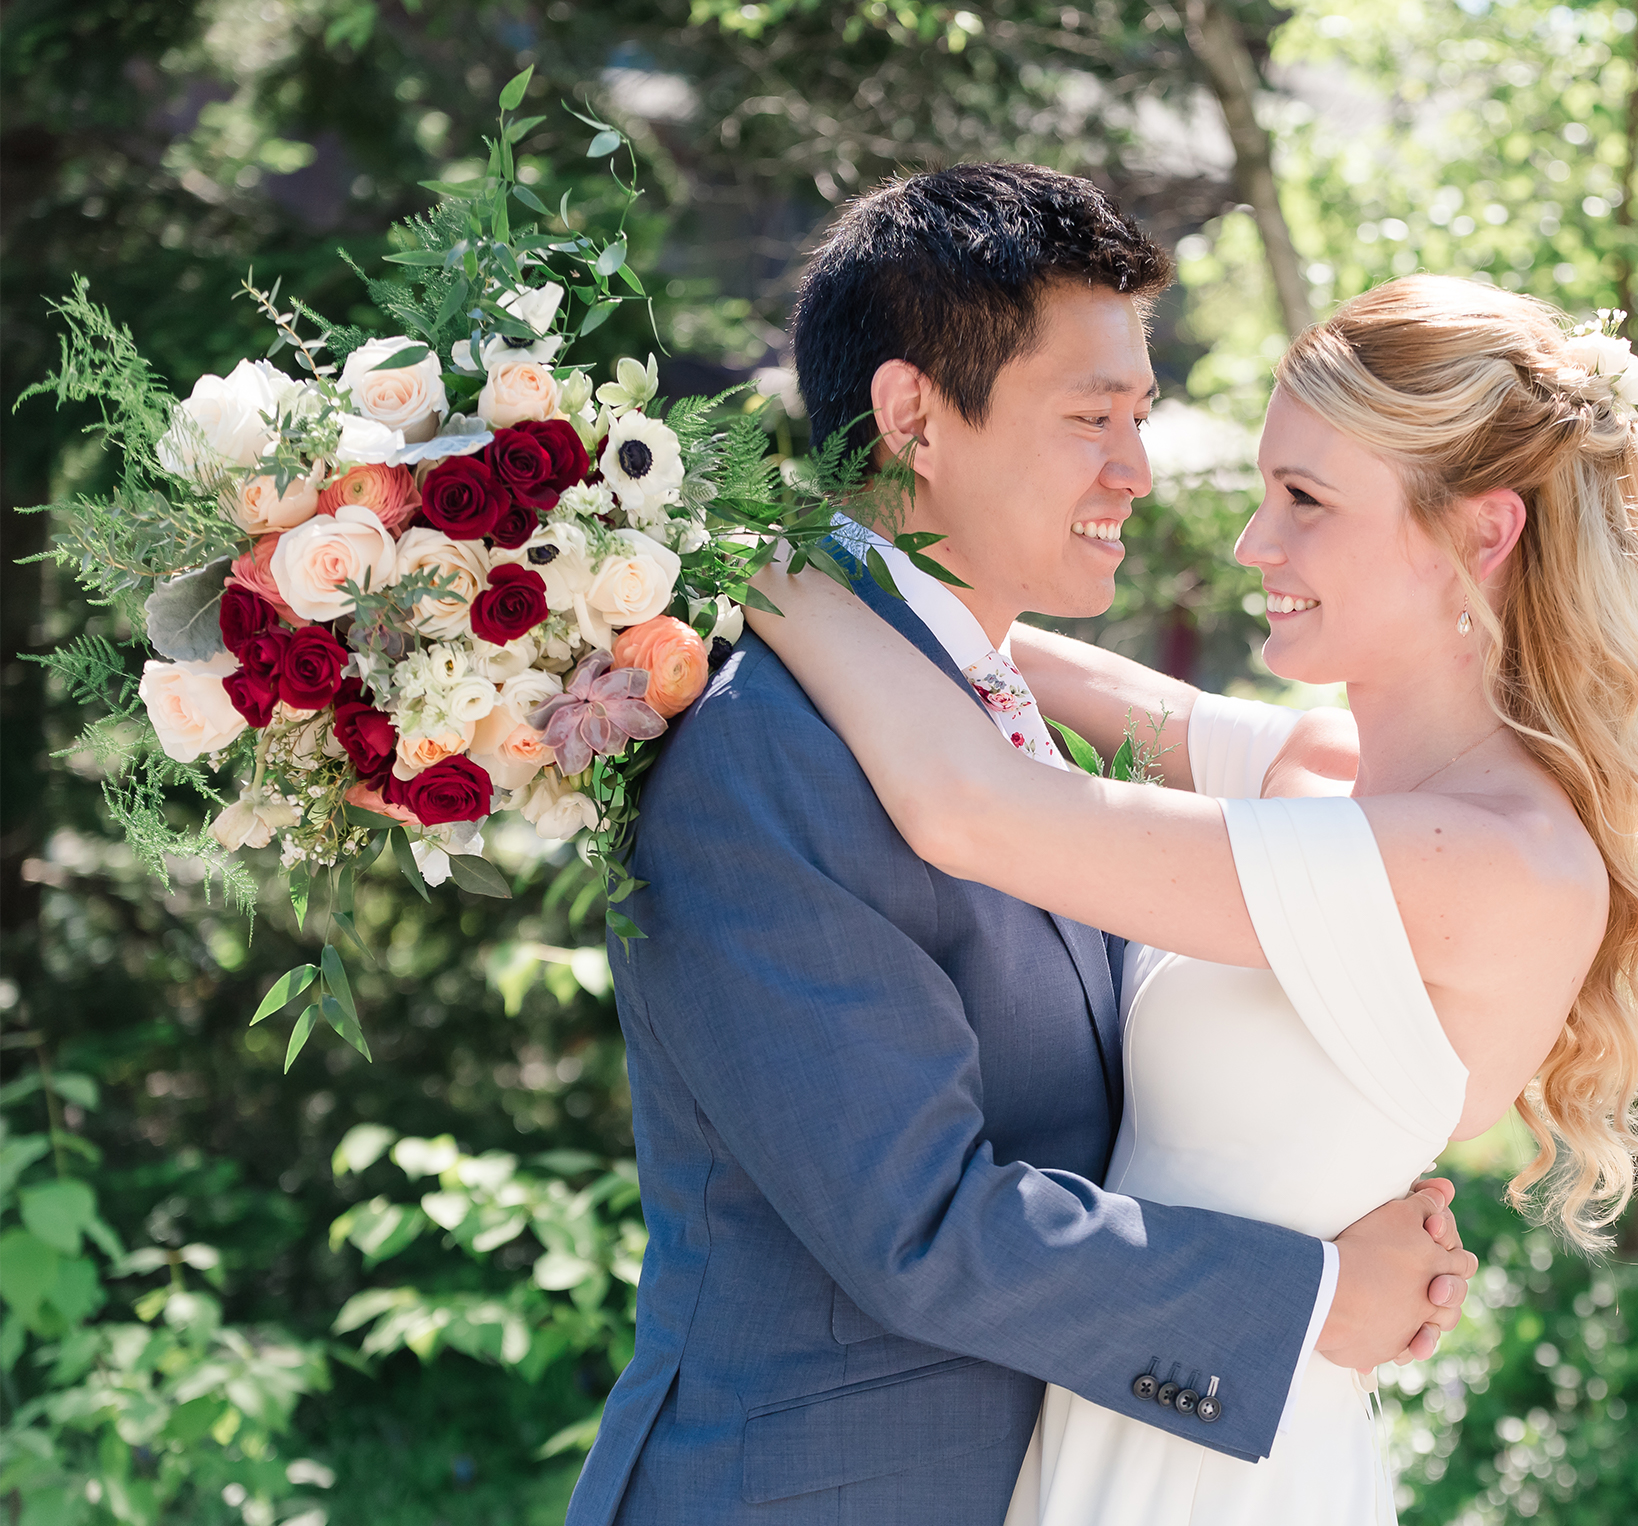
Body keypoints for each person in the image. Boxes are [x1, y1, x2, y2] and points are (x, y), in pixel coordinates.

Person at [565, 168, 1480, 1526]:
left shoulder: (970, 696)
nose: (1136, 469)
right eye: (1090, 417)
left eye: (1140, 416)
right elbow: (917, 1223)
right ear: (913, 418)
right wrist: (1311, 1298)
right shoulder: (767, 746)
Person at [742, 272, 1638, 1525]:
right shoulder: (1317, 769)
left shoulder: (1489, 861)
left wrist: (745, 569)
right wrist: (813, 554)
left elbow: (973, 808)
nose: (1255, 543)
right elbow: (1003, 656)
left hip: (1222, 1464)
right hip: (1128, 1404)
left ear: (1481, 533)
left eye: (1305, 499)